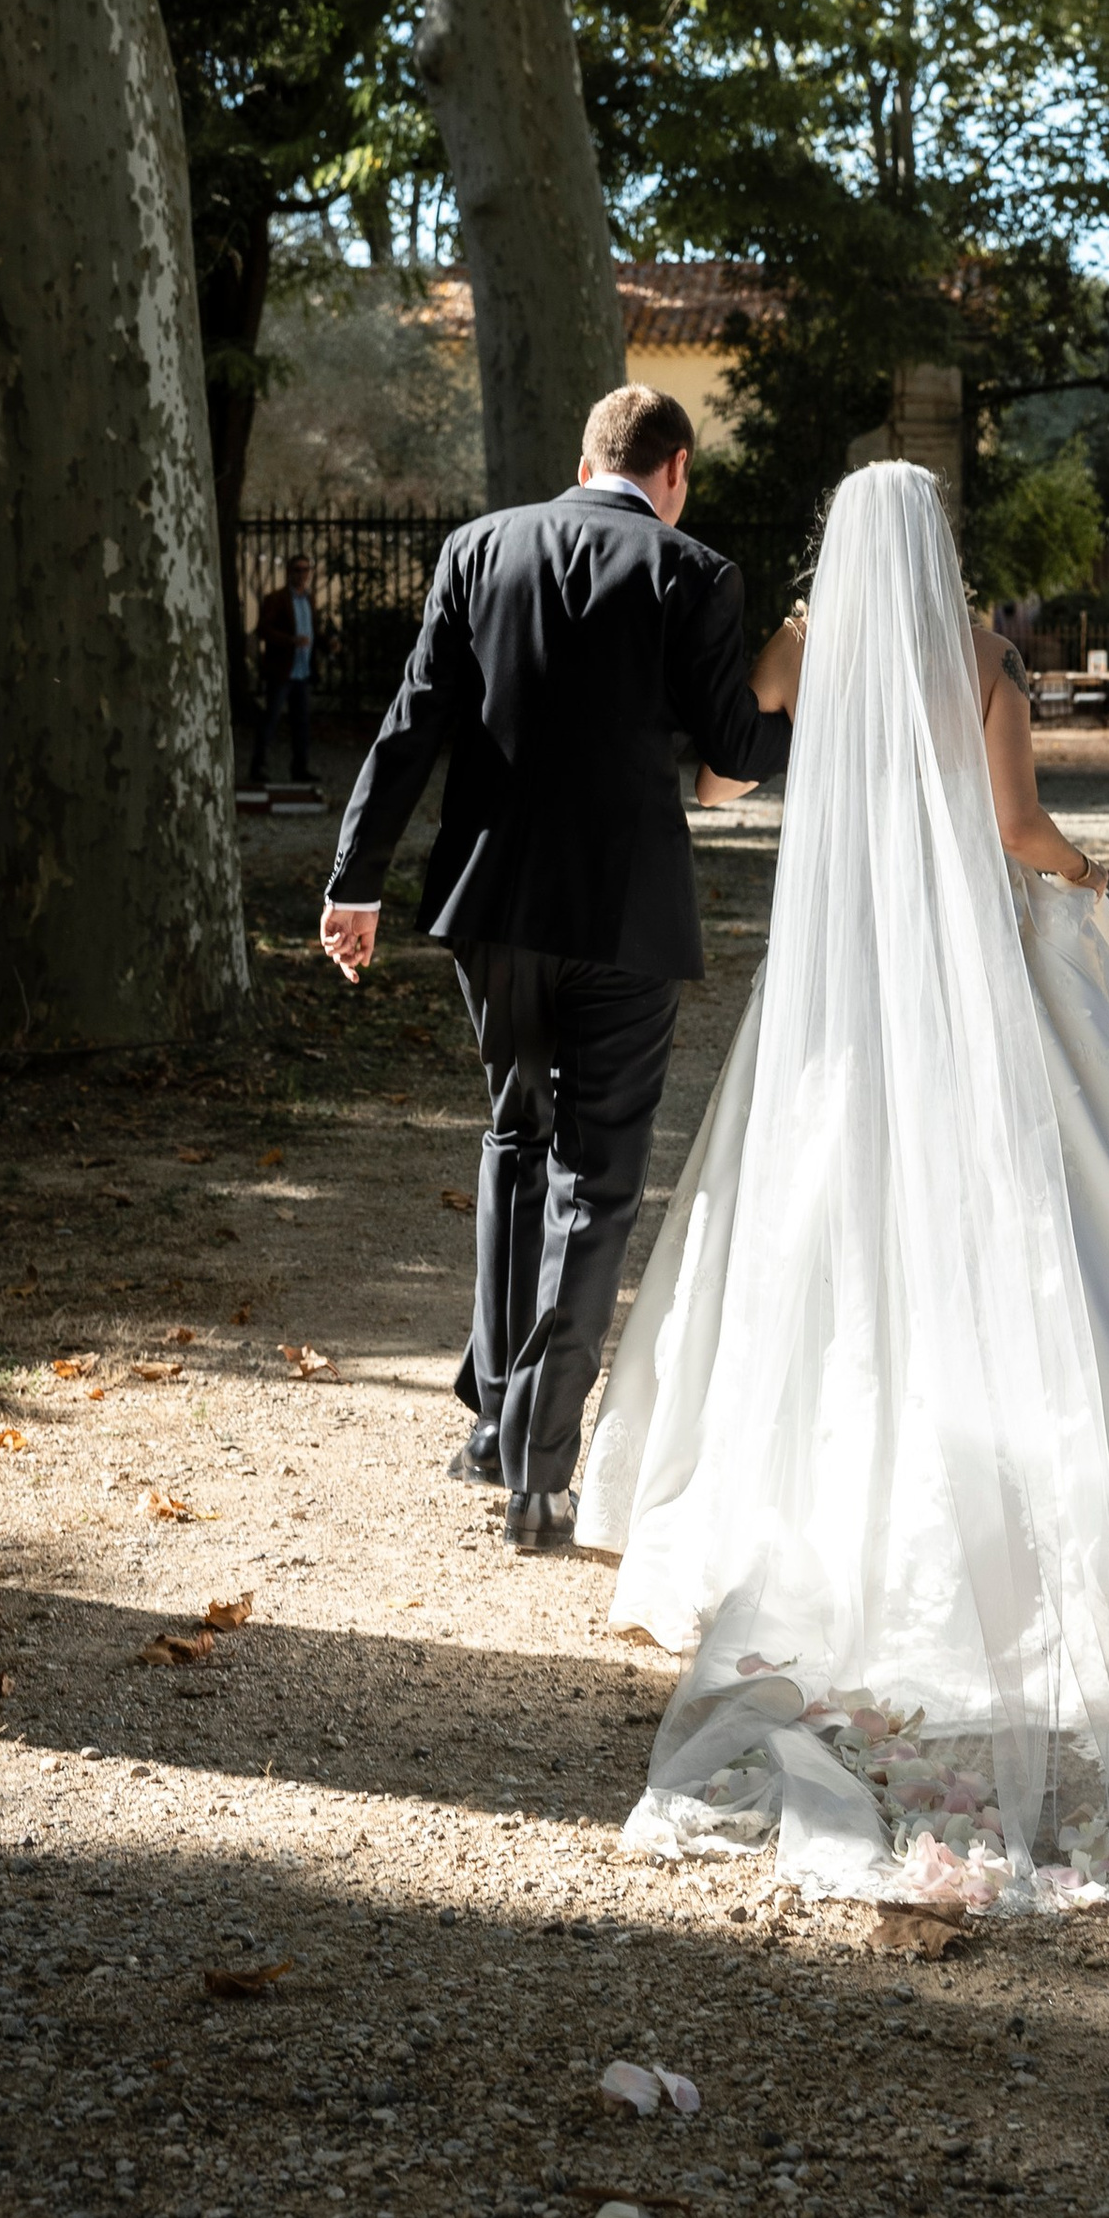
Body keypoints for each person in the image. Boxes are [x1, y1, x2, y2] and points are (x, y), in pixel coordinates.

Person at [577, 456, 1109, 1913]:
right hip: (963, 978)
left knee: (814, 1225)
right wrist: (1090, 876)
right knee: (1025, 1223)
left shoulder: (799, 644)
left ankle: (782, 1482)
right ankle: (1074, 1497)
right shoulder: (981, 655)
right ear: (939, 543)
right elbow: (1016, 828)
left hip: (836, 986)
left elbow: (729, 760)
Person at [319, 385, 799, 1553]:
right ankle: (540, 1469)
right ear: (673, 467)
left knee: (514, 1139)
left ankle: (490, 1425)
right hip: (626, 920)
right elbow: (734, 749)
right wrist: (816, 670)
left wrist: (355, 881)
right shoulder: (696, 573)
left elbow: (410, 724)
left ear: (583, 458)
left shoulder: (480, 549)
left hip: (492, 909)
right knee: (599, 1183)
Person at [251, 554, 318, 786]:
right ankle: (257, 765)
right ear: (290, 572)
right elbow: (263, 630)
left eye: (306, 569)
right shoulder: (277, 599)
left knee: (301, 723)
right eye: (298, 570)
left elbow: (313, 628)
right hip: (282, 671)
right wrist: (290, 640)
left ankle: (300, 768)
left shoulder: (308, 600)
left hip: (302, 671)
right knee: (270, 720)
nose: (302, 574)